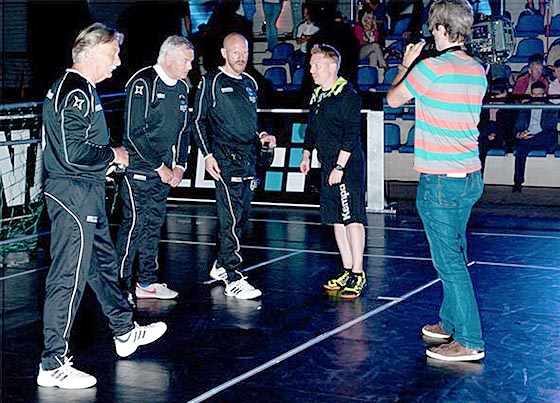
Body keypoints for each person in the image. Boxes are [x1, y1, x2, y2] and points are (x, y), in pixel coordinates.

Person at [38, 23, 167, 390]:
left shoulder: (84, 90)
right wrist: (112, 153)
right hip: (72, 196)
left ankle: (124, 332)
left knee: (103, 266)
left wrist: (108, 161)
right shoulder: (74, 91)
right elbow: (72, 151)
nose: (118, 61)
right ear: (93, 52)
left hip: (87, 192)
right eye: (114, 54)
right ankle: (53, 363)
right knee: (68, 278)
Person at [386, 0, 487, 362]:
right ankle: (450, 321)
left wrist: (405, 64)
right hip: (469, 177)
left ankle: (470, 340)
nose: (431, 31)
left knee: (449, 262)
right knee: (455, 251)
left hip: (441, 181)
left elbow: (393, 99)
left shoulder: (429, 69)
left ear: (441, 29)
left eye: (433, 27)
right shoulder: (477, 70)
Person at [193, 32, 277, 300]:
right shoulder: (210, 82)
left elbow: (253, 123)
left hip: (248, 160)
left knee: (240, 218)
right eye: (235, 52)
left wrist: (262, 135)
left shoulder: (251, 83)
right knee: (229, 218)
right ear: (223, 53)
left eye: (245, 52)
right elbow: (196, 121)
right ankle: (233, 276)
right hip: (223, 159)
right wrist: (207, 155)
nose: (241, 57)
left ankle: (220, 264)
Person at [115, 36, 194, 306]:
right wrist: (160, 167)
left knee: (153, 226)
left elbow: (184, 132)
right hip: (140, 170)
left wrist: (180, 165)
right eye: (186, 61)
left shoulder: (182, 89)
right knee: (134, 226)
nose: (190, 67)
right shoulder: (143, 82)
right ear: (169, 58)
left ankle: (147, 282)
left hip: (165, 173)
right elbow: (134, 133)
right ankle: (120, 285)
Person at [300, 44, 367, 300]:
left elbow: (351, 135)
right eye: (311, 65)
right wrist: (307, 154)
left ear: (331, 66)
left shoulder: (347, 95)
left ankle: (359, 273)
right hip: (327, 164)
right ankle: (347, 269)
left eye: (316, 65)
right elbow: (312, 129)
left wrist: (340, 166)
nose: (311, 70)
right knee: (336, 219)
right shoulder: (318, 95)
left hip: (346, 166)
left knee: (352, 218)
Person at [512, 81, 559, 193]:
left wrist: (531, 137)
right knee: (520, 151)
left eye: (540, 94)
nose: (537, 97)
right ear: (531, 94)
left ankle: (529, 140)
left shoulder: (551, 107)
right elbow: (518, 125)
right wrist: (519, 134)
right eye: (534, 94)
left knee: (549, 134)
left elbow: (550, 127)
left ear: (544, 95)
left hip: (543, 138)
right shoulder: (525, 107)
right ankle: (517, 183)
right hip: (528, 136)